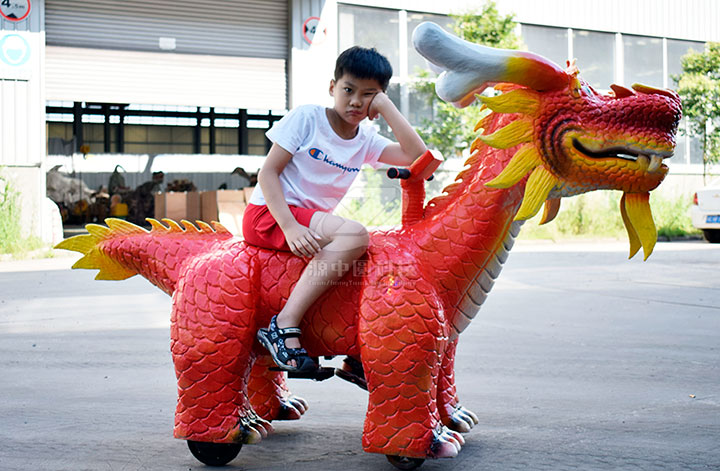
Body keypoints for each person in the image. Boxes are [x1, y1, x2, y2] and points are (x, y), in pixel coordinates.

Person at [245, 46, 428, 373]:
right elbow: (267, 173)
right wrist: (290, 226)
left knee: (373, 250)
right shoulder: (307, 118)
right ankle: (284, 323)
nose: (356, 101)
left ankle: (357, 355)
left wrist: (385, 107)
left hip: (312, 224)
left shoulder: (366, 140)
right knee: (356, 234)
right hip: (271, 215)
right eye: (348, 90)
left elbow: (417, 156)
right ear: (332, 87)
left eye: (368, 94)